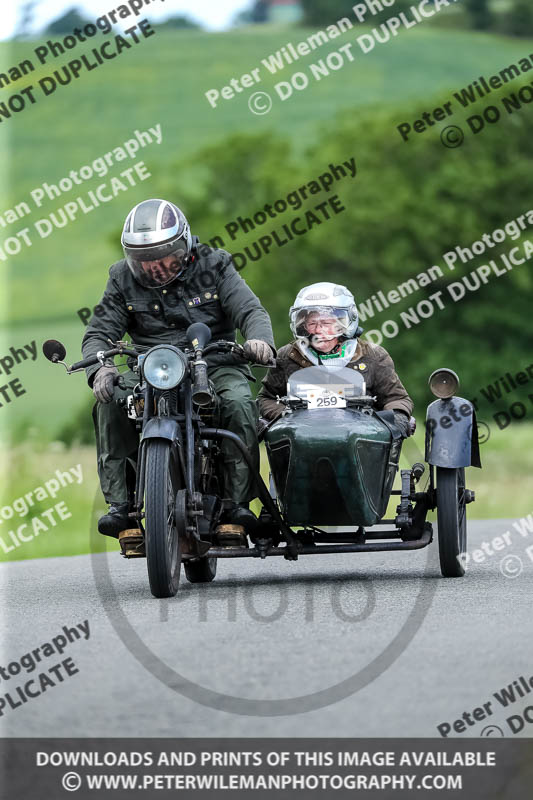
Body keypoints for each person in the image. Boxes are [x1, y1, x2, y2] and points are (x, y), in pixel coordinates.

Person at [82, 198, 275, 546]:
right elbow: (99, 332)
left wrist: (259, 340)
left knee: (239, 402)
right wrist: (101, 368)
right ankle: (122, 507)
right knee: (110, 402)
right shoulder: (121, 278)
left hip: (213, 362)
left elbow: (249, 310)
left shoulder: (215, 265)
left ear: (183, 245)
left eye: (162, 257)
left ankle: (235, 508)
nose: (154, 266)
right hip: (150, 367)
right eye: (144, 260)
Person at [257, 282, 413, 433]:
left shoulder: (373, 355)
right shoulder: (287, 356)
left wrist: (395, 420)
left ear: (346, 322)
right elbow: (266, 397)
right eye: (312, 323)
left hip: (360, 444)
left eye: (326, 322)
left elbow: (397, 398)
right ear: (302, 325)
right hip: (303, 442)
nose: (319, 330)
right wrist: (286, 417)